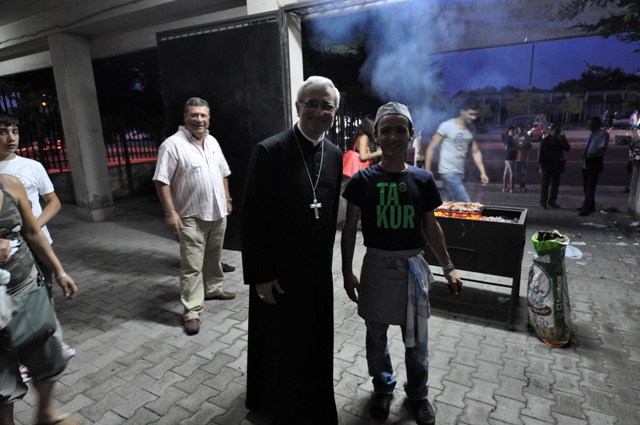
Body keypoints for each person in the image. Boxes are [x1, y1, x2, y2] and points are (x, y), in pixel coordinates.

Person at [341, 102, 463, 425]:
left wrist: (448, 266)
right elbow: (350, 228)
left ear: (410, 134)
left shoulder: (422, 179)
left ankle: (418, 394)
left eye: (400, 130)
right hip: (376, 268)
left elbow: (431, 227)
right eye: (386, 130)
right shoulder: (362, 180)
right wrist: (346, 271)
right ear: (376, 135)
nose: (393, 137)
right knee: (376, 337)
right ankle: (383, 387)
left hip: (412, 269)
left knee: (417, 339)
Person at [242, 76, 342, 425]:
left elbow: (328, 213)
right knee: (280, 341)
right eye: (311, 104)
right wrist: (261, 274)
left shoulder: (335, 155)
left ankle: (314, 398)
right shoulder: (270, 150)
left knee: (314, 339)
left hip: (316, 272)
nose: (318, 111)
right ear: (298, 107)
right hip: (279, 272)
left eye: (326, 105)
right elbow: (253, 218)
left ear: (335, 112)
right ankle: (275, 403)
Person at [0, 113, 75, 382]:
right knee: (11, 302)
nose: (11, 137)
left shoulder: (31, 166)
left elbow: (53, 201)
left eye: (15, 131)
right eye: (3, 131)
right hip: (7, 254)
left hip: (36, 242)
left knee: (45, 292)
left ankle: (50, 341)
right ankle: (21, 357)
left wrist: (33, 225)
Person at [0, 173, 79, 425]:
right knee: (2, 377)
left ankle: (45, 414)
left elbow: (33, 232)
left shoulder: (10, 184)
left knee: (47, 353)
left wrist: (60, 272)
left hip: (26, 286)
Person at [153, 97, 235, 336]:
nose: (199, 119)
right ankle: (191, 311)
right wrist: (170, 213)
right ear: (185, 117)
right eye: (194, 115)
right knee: (191, 266)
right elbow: (161, 181)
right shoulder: (172, 145)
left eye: (203, 115)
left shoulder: (212, 141)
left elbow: (223, 173)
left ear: (209, 118)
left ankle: (213, 289)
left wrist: (227, 199)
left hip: (217, 212)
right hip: (190, 216)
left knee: (214, 256)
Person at [424, 98, 489, 202]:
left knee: (447, 202)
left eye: (476, 115)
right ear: (462, 111)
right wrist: (428, 171)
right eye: (471, 114)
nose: (474, 117)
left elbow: (476, 151)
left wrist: (483, 172)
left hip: (460, 172)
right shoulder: (446, 126)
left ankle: (432, 210)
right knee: (466, 203)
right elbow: (431, 148)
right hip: (448, 172)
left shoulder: (471, 129)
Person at [579, 116, 609, 216]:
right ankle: (590, 205)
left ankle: (587, 208)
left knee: (590, 186)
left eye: (592, 125)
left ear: (597, 125)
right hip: (587, 162)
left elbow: (602, 148)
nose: (590, 127)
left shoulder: (603, 134)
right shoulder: (591, 134)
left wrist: (590, 155)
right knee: (586, 186)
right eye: (589, 125)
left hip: (594, 162)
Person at [538, 125, 571, 208]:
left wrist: (564, 140)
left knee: (555, 185)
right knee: (545, 185)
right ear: (551, 131)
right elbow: (540, 155)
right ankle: (543, 202)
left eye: (559, 131)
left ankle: (552, 201)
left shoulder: (560, 140)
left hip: (557, 165)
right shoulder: (545, 141)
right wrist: (541, 167)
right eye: (556, 131)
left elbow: (567, 148)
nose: (557, 133)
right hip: (547, 165)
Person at [514, 126, 532, 192]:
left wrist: (526, 147)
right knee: (518, 173)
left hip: (524, 158)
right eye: (519, 130)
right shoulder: (516, 137)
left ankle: (523, 186)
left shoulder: (526, 137)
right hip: (517, 158)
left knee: (523, 173)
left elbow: (530, 146)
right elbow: (512, 146)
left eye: (521, 130)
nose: (520, 131)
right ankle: (518, 186)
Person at [502, 126, 517, 193]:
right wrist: (515, 149)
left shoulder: (510, 138)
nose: (514, 132)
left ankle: (505, 187)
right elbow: (506, 148)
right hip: (510, 157)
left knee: (506, 171)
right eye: (512, 130)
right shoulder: (508, 138)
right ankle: (512, 188)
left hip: (508, 157)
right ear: (509, 131)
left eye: (514, 130)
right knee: (512, 172)